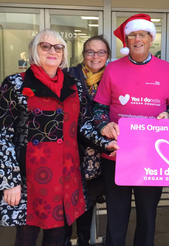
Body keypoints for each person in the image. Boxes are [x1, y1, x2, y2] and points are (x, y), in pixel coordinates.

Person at [0, 29, 118, 246]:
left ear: (64, 53)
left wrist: (107, 144)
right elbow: (2, 134)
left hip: (66, 175)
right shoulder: (15, 84)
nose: (53, 51)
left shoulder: (73, 84)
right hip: (29, 177)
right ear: (34, 50)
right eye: (46, 46)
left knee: (58, 238)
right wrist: (9, 181)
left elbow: (84, 125)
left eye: (58, 47)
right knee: (26, 238)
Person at [93, 13, 169, 246]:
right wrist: (104, 124)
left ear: (151, 38)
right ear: (127, 40)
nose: (138, 39)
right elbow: (99, 108)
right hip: (116, 153)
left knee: (147, 214)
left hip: (152, 155)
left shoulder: (166, 70)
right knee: (117, 213)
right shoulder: (112, 69)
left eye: (142, 34)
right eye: (132, 35)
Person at [63, 35, 111, 246]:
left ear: (107, 56)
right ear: (83, 55)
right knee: (66, 201)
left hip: (99, 151)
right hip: (71, 149)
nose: (95, 57)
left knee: (88, 200)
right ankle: (64, 240)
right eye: (90, 52)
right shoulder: (68, 76)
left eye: (101, 52)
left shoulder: (112, 76)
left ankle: (84, 240)